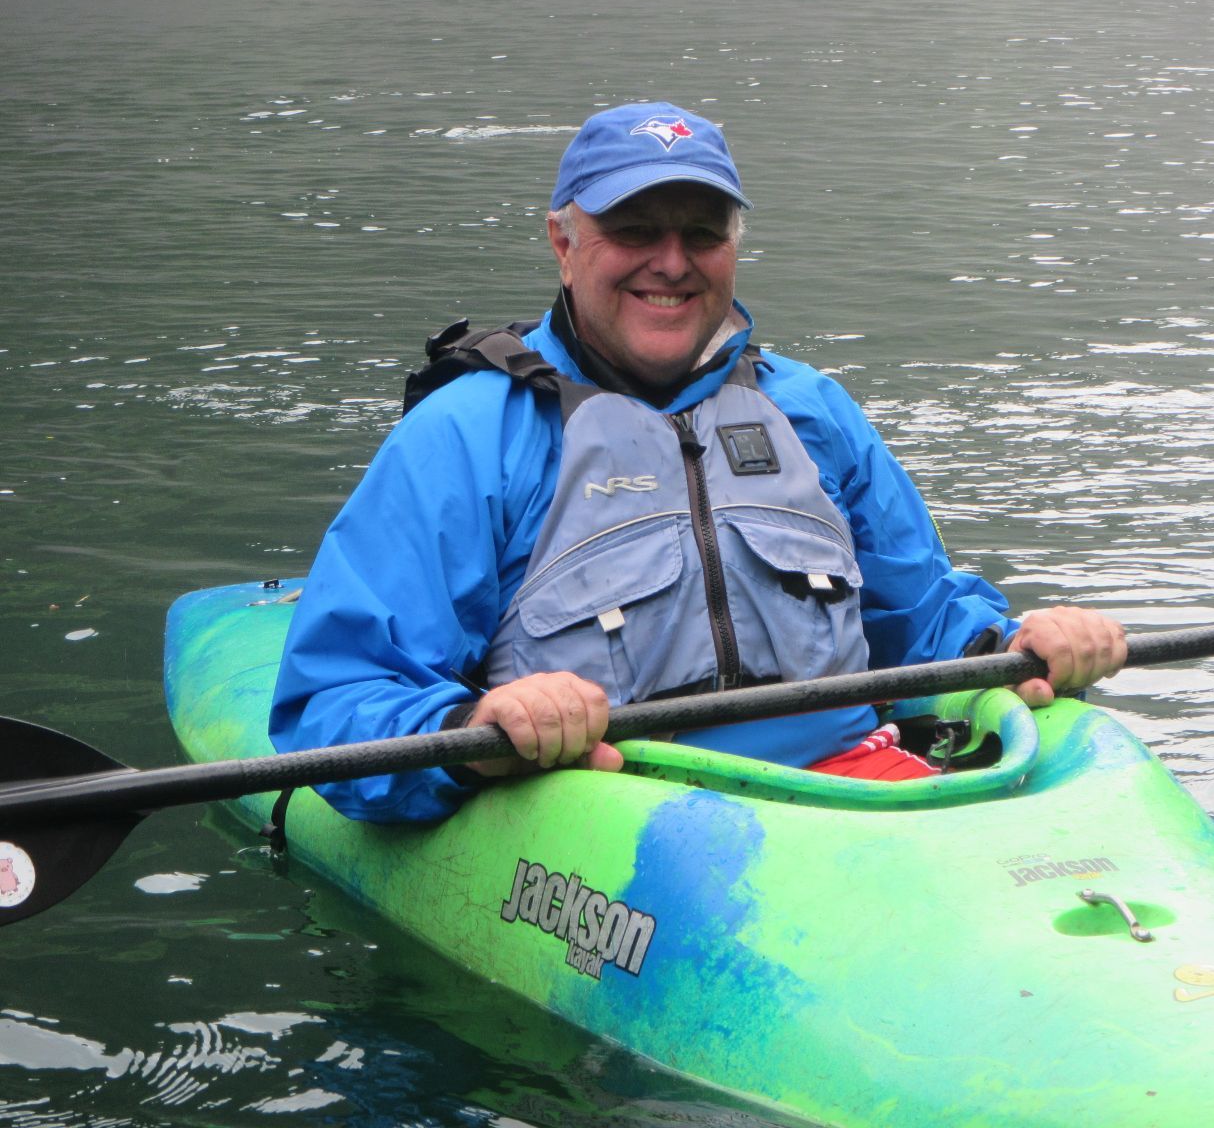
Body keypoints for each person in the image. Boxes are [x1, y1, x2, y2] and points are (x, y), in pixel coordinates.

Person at [269, 101, 1126, 823]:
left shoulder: (811, 410)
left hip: (843, 788)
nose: (672, 263)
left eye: (702, 233)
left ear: (733, 246)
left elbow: (925, 623)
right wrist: (479, 727)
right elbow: (337, 699)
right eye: (634, 230)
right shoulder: (467, 434)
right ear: (564, 243)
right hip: (606, 816)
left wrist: (1022, 646)